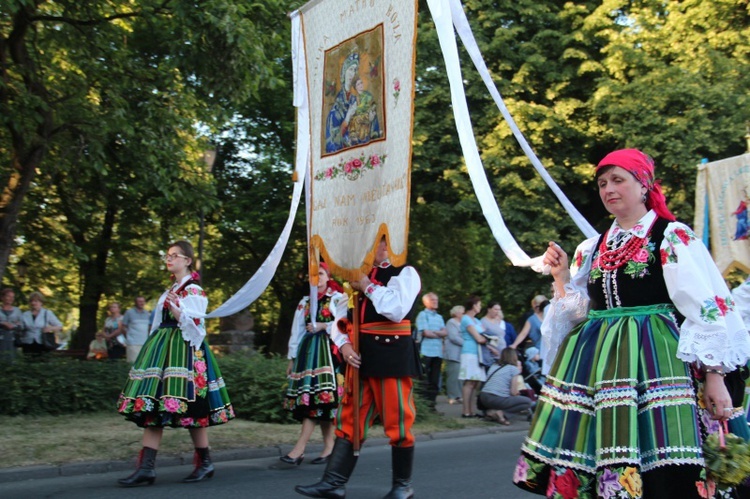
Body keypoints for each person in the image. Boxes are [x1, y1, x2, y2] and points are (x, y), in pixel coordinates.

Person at [513, 149, 750, 498]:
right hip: (603, 369)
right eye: (602, 183)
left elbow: (707, 308)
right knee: (609, 454)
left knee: (666, 456)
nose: (608, 188)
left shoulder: (672, 236)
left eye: (618, 180)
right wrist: (562, 276)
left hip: (658, 362)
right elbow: (579, 315)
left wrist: (714, 376)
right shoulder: (591, 248)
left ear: (643, 185)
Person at [295, 236, 422, 499]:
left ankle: (402, 486)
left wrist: (366, 285)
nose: (373, 248)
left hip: (391, 357)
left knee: (398, 419)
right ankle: (333, 483)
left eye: (379, 242)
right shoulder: (357, 276)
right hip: (360, 357)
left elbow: (396, 309)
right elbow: (339, 318)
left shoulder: (405, 272)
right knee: (350, 419)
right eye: (373, 242)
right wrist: (344, 346)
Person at [116, 241, 234, 487]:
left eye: (174, 256)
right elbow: (157, 323)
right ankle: (146, 468)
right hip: (162, 350)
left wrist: (177, 307)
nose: (169, 259)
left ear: (188, 260)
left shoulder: (194, 291)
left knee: (193, 409)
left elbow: (196, 328)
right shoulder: (172, 288)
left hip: (185, 353)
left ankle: (204, 462)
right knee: (152, 406)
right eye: (167, 256)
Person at [282, 263, 347, 466]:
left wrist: (323, 326)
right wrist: (292, 358)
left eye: (320, 274)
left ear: (328, 277)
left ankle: (299, 449)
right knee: (317, 402)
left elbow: (344, 324)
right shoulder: (305, 302)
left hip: (329, 354)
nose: (316, 278)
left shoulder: (337, 298)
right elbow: (297, 330)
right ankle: (329, 447)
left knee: (319, 401)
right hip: (308, 354)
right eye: (313, 275)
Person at [479, 348, 533, 425]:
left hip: (484, 396)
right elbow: (513, 392)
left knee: (505, 399)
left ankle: (491, 412)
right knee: (527, 402)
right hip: (497, 398)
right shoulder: (513, 369)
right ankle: (502, 414)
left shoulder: (494, 366)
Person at [458, 295, 488, 418]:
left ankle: (471, 410)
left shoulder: (477, 320)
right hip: (469, 352)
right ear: (474, 305)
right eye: (479, 304)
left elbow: (483, 335)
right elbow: (479, 337)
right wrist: (485, 339)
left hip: (478, 353)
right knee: (469, 381)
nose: (480, 307)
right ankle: (466, 411)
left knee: (475, 382)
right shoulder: (466, 319)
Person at [416, 292, 446, 409]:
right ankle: (423, 406)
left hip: (437, 352)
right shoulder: (423, 315)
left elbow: (446, 332)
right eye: (433, 300)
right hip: (426, 351)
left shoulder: (439, 317)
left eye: (436, 300)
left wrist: (435, 333)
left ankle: (432, 406)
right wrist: (439, 333)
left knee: (434, 380)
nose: (435, 302)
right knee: (424, 380)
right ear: (426, 302)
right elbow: (426, 333)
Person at [325, 52, 360, 153]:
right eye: (350, 69)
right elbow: (332, 143)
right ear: (344, 71)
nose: (352, 73)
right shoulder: (335, 110)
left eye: (354, 70)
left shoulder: (355, 100)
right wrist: (348, 117)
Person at [444, 305, 465, 405]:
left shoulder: (463, 324)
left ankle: (459, 396)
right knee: (453, 375)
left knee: (460, 376)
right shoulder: (451, 322)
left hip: (461, 354)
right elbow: (453, 337)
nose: (464, 314)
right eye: (462, 312)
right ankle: (452, 396)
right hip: (453, 353)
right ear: (456, 313)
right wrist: (466, 343)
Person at [122, 296, 151, 363]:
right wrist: (128, 337)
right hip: (132, 343)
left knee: (144, 363)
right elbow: (123, 327)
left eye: (143, 301)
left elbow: (149, 328)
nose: (141, 303)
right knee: (132, 363)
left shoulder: (147, 313)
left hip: (145, 343)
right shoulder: (129, 312)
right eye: (139, 301)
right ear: (135, 302)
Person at [479, 301, 507, 369]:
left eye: (499, 309)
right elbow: (481, 338)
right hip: (492, 356)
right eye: (495, 309)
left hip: (502, 355)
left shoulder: (497, 321)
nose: (497, 311)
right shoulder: (483, 321)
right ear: (489, 309)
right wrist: (492, 349)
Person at [0, 288, 22, 360]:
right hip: (1, 339)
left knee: (11, 359)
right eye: (8, 296)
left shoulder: (17, 310)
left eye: (12, 297)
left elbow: (21, 325)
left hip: (12, 340)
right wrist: (2, 323)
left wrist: (14, 326)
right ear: (2, 297)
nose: (11, 298)